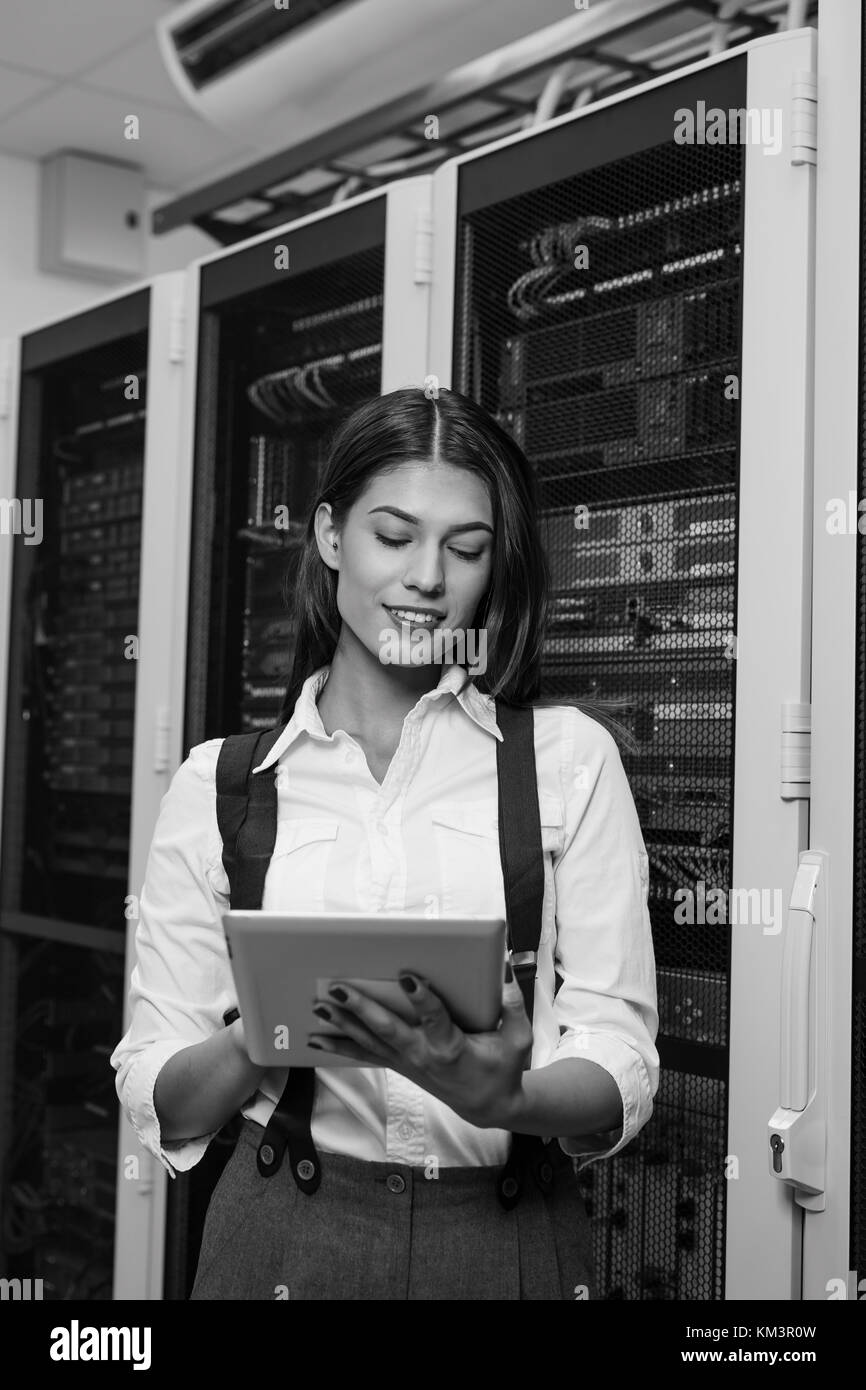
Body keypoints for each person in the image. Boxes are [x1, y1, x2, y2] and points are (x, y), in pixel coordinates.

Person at [111, 383, 659, 1301]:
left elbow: (622, 1056)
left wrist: (508, 1100)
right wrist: (271, 1028)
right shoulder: (221, 784)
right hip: (282, 1230)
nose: (428, 578)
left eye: (466, 548)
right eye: (394, 537)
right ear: (331, 537)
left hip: (507, 1239)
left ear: (494, 566)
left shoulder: (568, 761)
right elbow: (155, 1086)